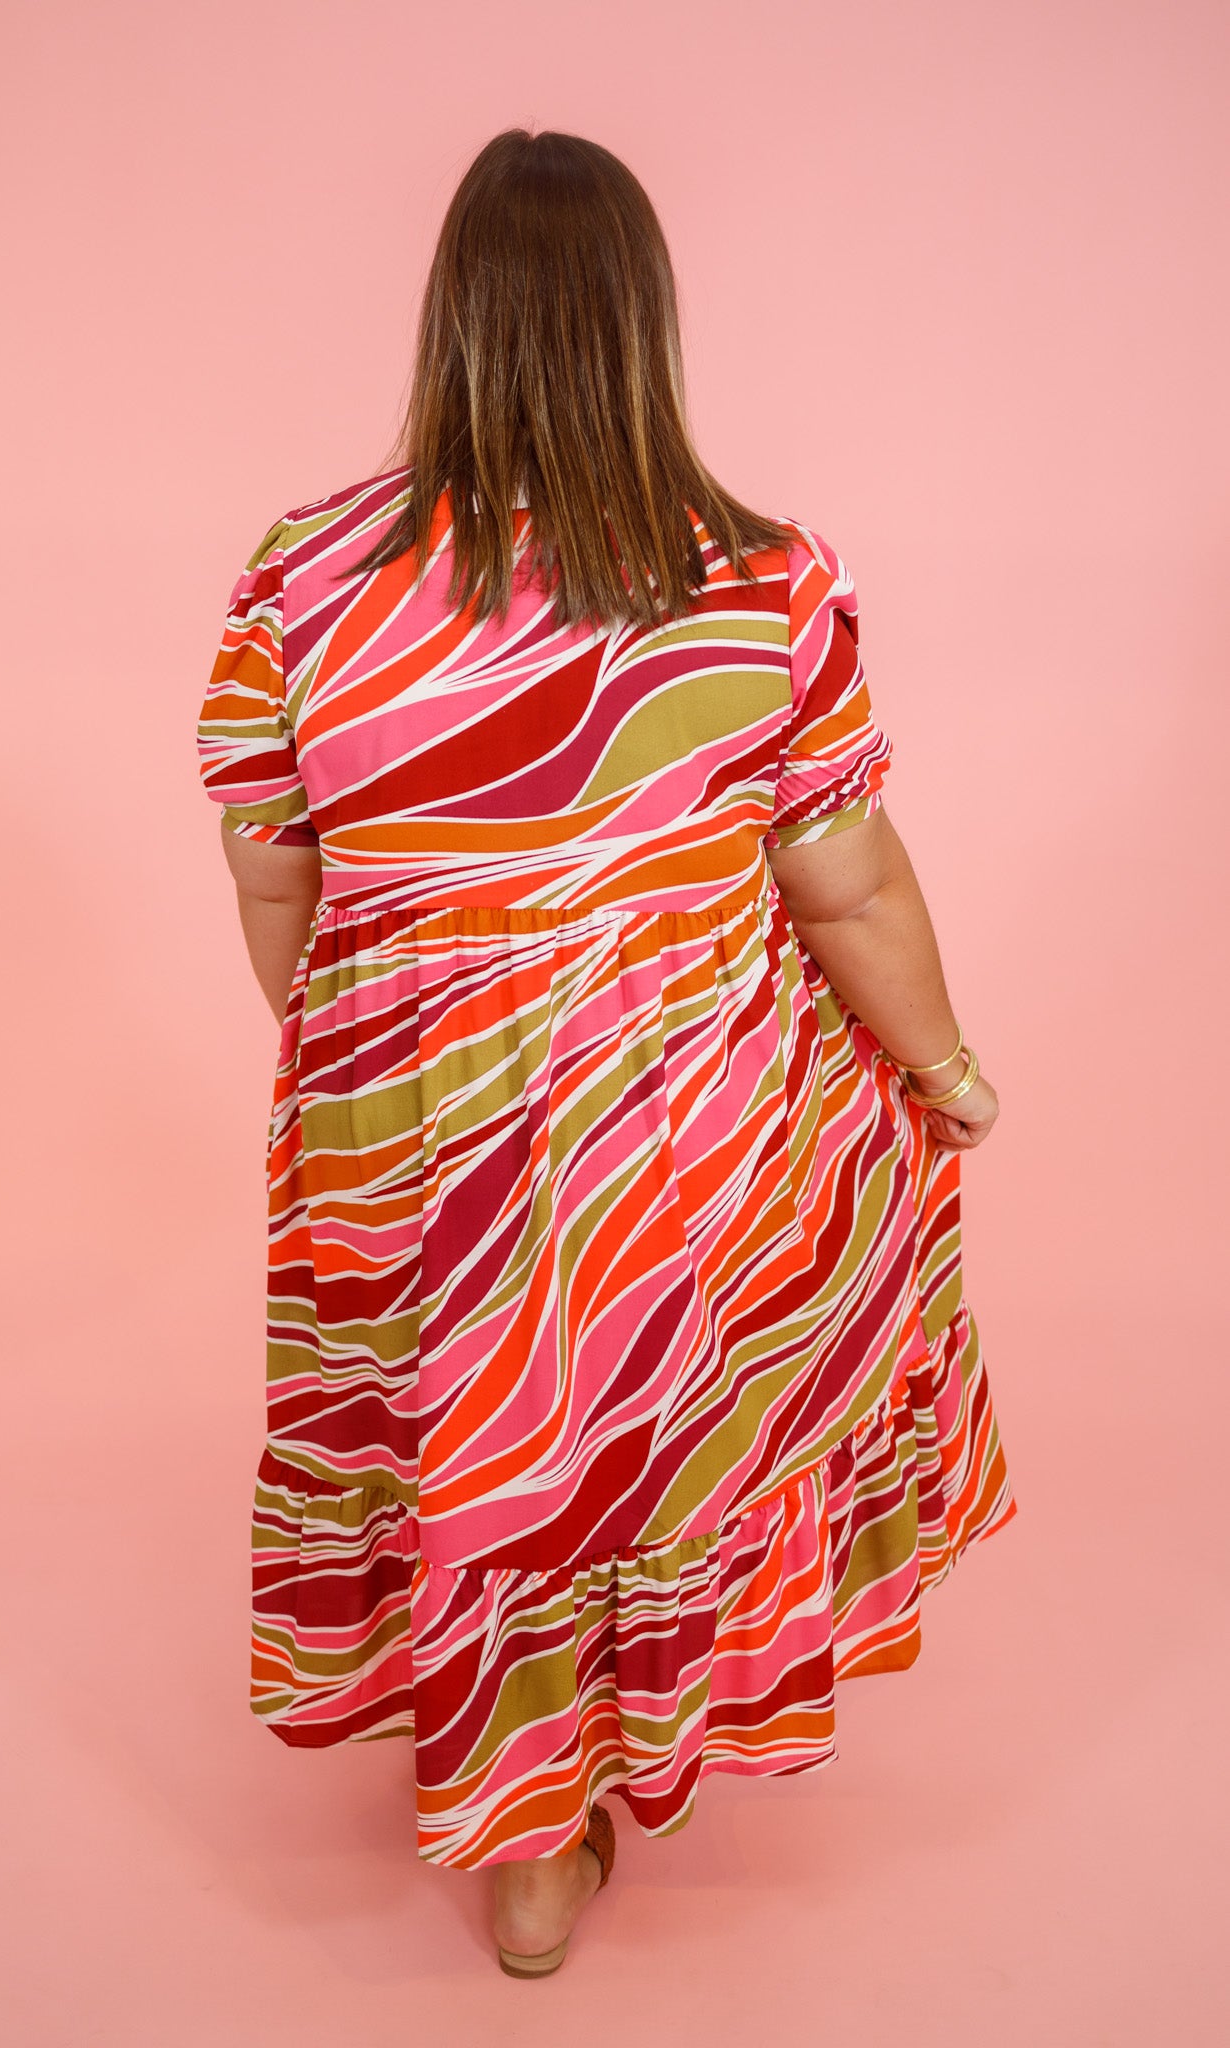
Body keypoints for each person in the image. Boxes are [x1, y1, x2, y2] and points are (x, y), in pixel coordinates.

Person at [195, 126, 1017, 1978]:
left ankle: (525, 1854)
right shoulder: (756, 578)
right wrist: (945, 1073)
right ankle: (626, 1748)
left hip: (413, 1131)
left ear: (453, 320)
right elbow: (846, 887)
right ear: (642, 324)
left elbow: (274, 880)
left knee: (478, 1443)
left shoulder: (298, 580)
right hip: (689, 1132)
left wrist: (371, 1071)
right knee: (638, 1434)